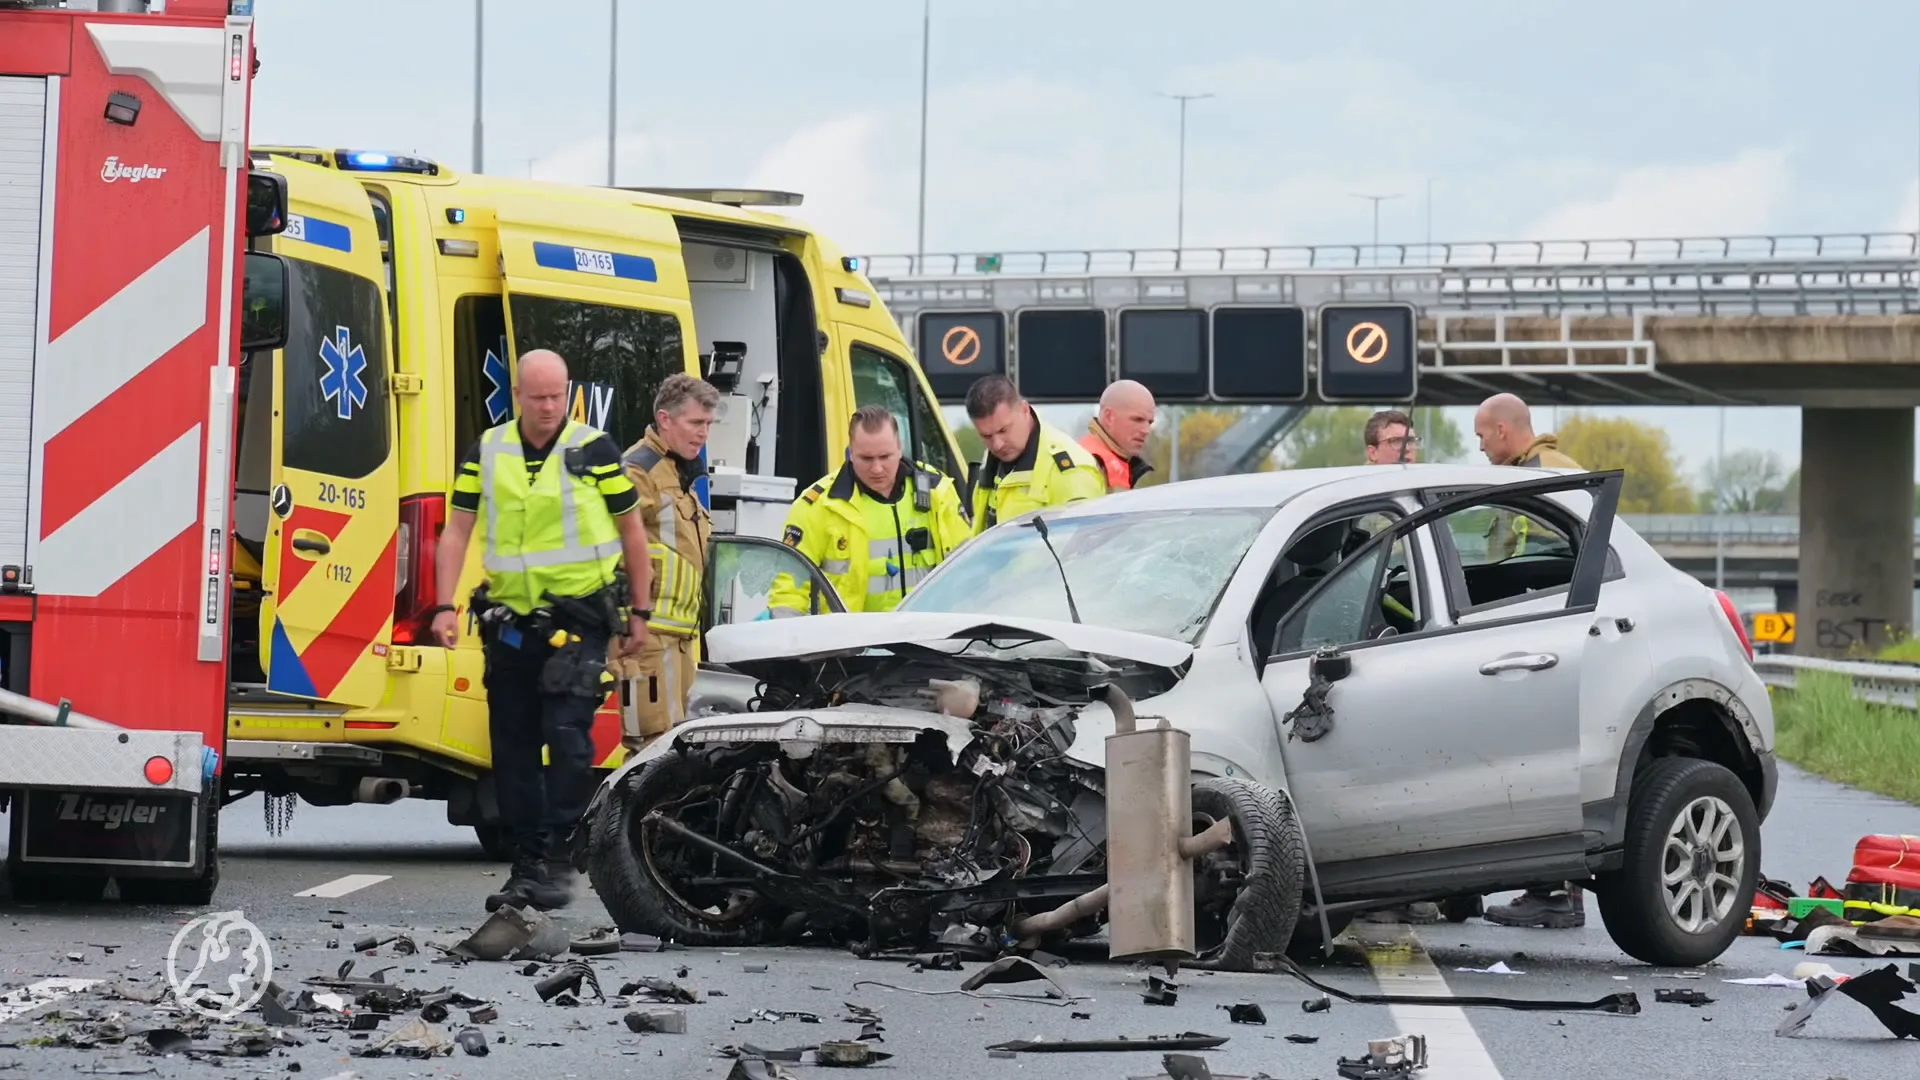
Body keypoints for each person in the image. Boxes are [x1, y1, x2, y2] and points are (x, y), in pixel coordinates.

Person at [429, 350, 653, 914]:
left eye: (557, 395)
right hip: (509, 622)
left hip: (579, 619)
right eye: (538, 396)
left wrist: (640, 613)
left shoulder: (594, 450)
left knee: (570, 742)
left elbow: (633, 532)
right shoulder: (489, 449)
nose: (549, 406)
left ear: (567, 391)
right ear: (518, 396)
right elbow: (456, 531)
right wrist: (444, 605)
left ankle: (556, 857)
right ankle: (527, 868)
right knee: (513, 752)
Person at [1470, 392, 1589, 931]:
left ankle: (1552, 891)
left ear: (1501, 430)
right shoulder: (1552, 470)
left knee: (1533, 760)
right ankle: (1561, 887)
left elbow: (1522, 565)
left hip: (1539, 640)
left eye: (1480, 435)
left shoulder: (1533, 479)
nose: (1479, 445)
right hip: (1557, 643)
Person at [1354, 408, 1440, 926]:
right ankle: (1388, 889)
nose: (1405, 449)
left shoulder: (1431, 500)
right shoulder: (1359, 510)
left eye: (1411, 439)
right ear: (1371, 451)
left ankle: (1436, 886)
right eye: (1393, 441)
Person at [768, 405, 972, 616]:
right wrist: (794, 644)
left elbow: (969, 569)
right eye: (866, 458)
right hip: (854, 644)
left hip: (928, 639)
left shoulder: (936, 492)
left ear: (900, 448)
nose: (876, 469)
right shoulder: (818, 506)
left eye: (885, 457)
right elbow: (789, 592)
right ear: (851, 452)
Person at [609, 373, 721, 755]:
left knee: (673, 751)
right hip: (646, 637)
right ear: (665, 419)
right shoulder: (638, 470)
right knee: (648, 750)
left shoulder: (679, 469)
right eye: (695, 423)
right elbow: (614, 547)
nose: (703, 433)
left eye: (708, 424)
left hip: (678, 640)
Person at [964, 374, 1106, 533]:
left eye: (1003, 430)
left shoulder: (1070, 470)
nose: (997, 444)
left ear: (1024, 409)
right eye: (986, 436)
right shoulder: (991, 461)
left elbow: (1083, 544)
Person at [1079, 379, 1157, 492]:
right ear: (1109, 417)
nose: (1146, 430)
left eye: (1150, 422)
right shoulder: (1085, 465)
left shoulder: (1121, 462)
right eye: (1137, 419)